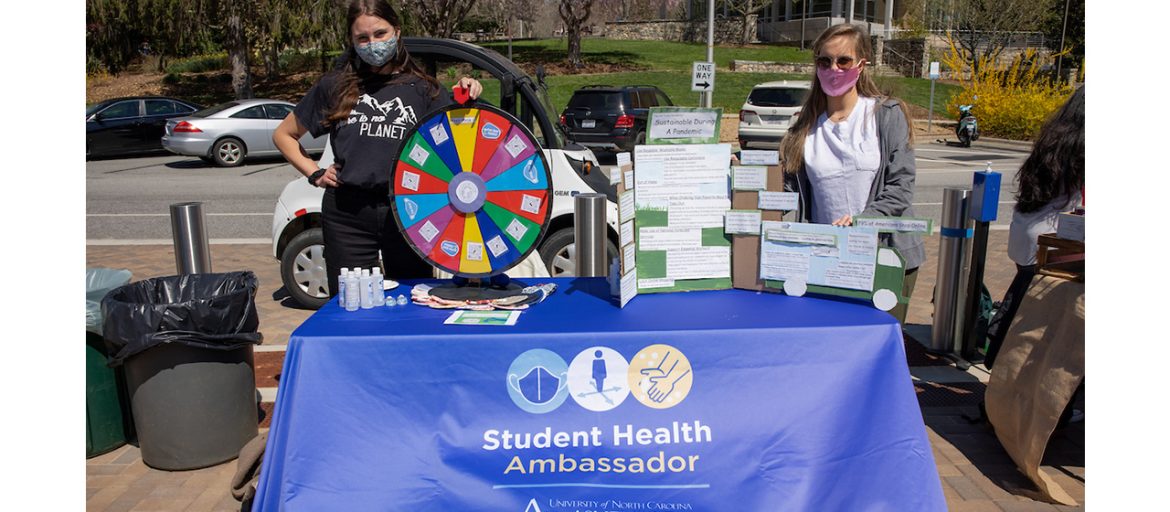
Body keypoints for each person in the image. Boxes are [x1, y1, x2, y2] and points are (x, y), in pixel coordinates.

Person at [273, 0, 483, 298]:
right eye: (363, 38)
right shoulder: (335, 85)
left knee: (415, 300)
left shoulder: (425, 89)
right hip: (347, 213)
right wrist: (315, 172)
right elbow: (283, 135)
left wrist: (469, 90)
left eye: (380, 34)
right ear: (352, 41)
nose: (373, 44)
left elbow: (461, 140)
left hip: (408, 211)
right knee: (351, 305)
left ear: (397, 32)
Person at [778, 23, 925, 323]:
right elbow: (786, 194)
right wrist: (741, 178)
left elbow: (900, 187)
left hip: (885, 256)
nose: (834, 68)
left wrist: (863, 221)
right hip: (829, 262)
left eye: (843, 60)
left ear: (862, 64)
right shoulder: (803, 129)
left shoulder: (886, 115)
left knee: (878, 347)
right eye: (824, 61)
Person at [984, 86, 1085, 369]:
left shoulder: (1054, 139)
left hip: (1030, 240)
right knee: (1046, 332)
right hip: (1059, 247)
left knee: (1020, 316)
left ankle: (1004, 381)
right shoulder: (1084, 147)